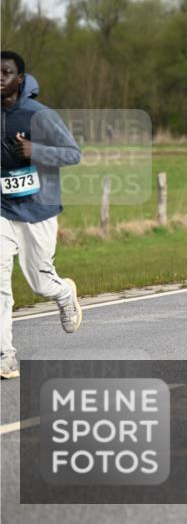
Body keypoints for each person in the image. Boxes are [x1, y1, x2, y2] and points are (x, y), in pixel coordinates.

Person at [1, 51, 82, 380]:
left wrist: (37, 151)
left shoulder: (40, 115)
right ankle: (5, 355)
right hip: (3, 209)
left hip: (39, 210)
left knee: (39, 281)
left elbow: (73, 154)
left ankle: (63, 294)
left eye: (5, 72)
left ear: (19, 79)